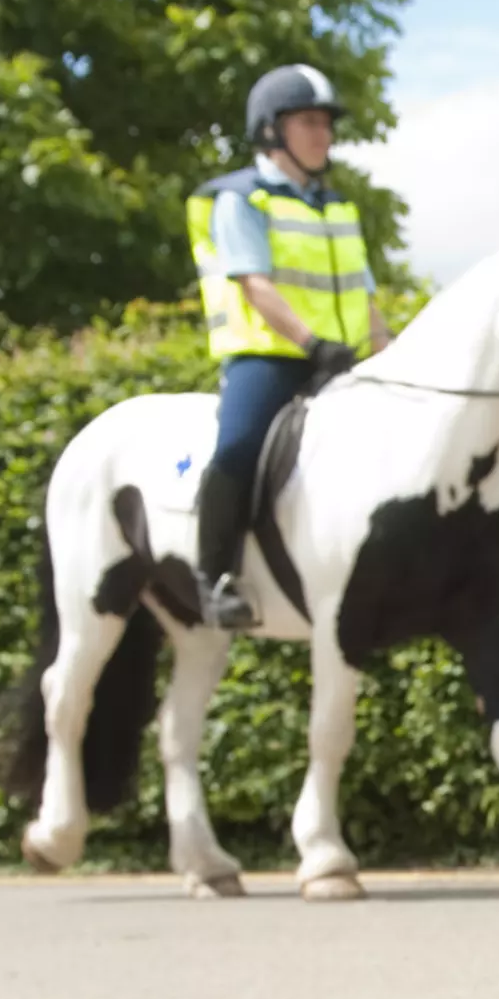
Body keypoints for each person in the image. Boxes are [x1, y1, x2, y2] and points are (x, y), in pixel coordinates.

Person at [187, 63, 392, 631]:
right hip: (270, 359)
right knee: (237, 447)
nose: (323, 134)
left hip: (343, 362)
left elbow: (365, 297)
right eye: (309, 122)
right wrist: (310, 342)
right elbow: (254, 284)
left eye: (326, 123)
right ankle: (214, 578)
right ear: (272, 131)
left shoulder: (338, 209)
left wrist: (389, 354)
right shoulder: (241, 200)